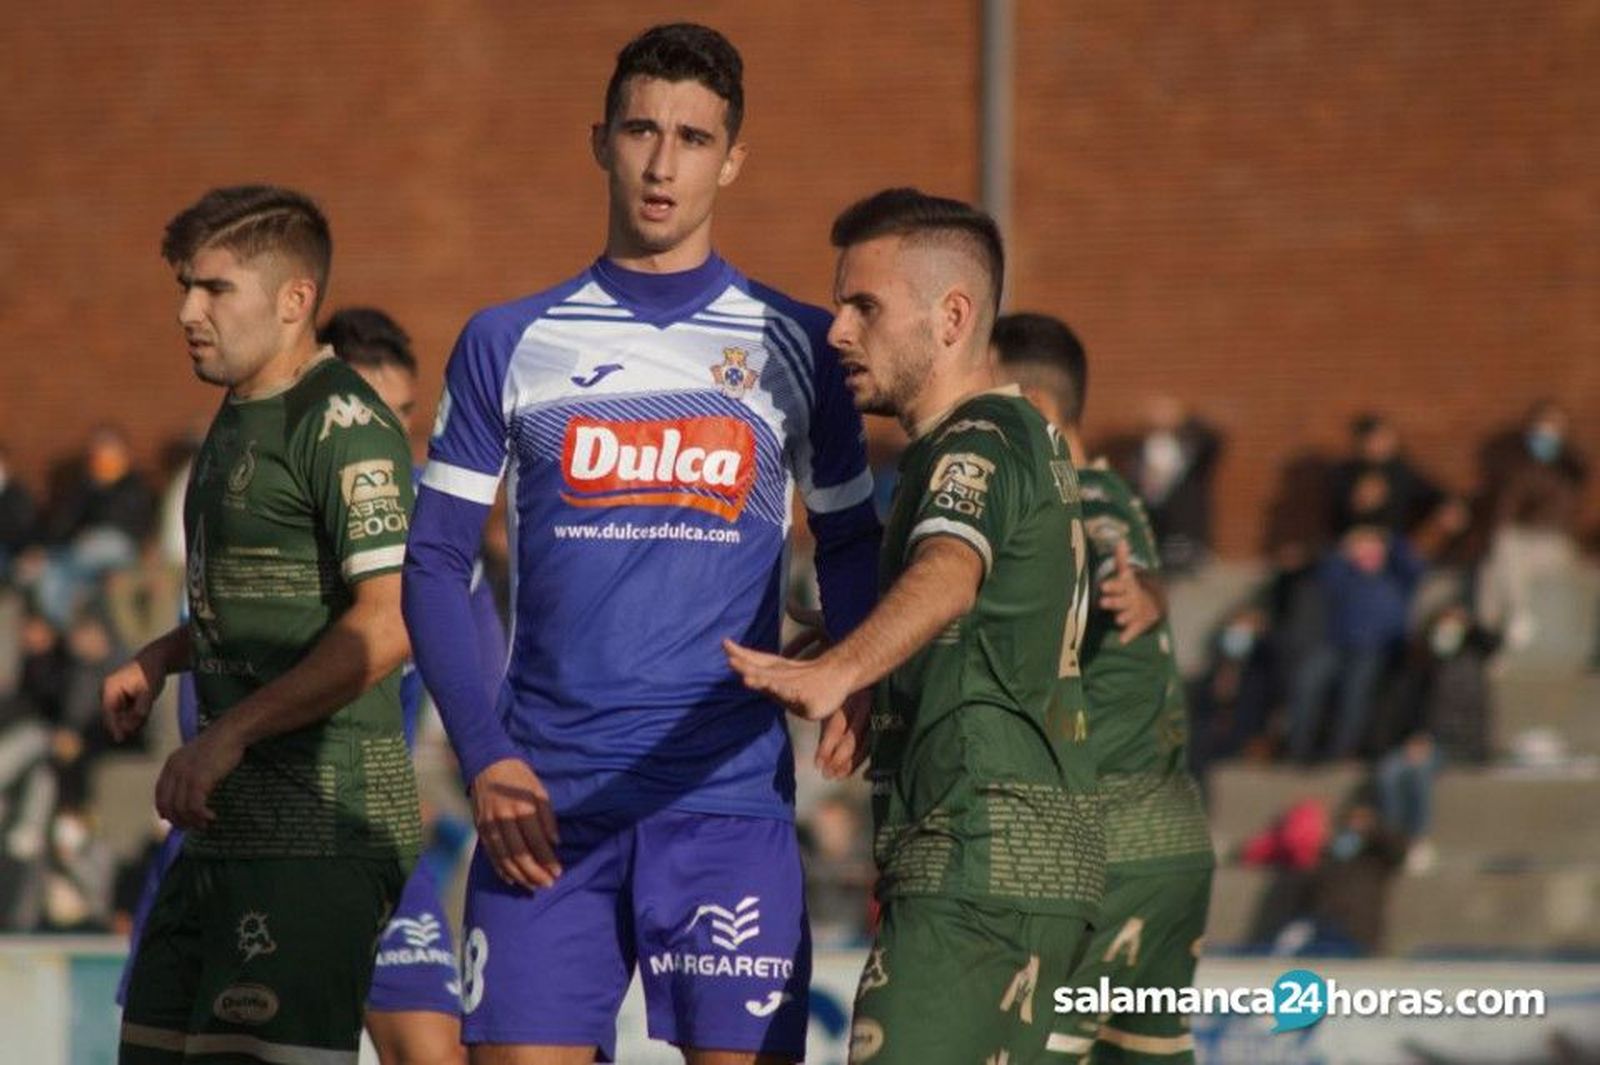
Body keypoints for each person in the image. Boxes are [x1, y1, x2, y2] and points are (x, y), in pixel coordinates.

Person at [402, 24, 879, 1065]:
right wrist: (486, 759)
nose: (664, 164)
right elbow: (435, 562)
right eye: (642, 130)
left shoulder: (794, 341)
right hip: (543, 811)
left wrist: (855, 671)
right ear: (599, 141)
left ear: (733, 159)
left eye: (695, 138)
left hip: (724, 809)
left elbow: (849, 540)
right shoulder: (508, 339)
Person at [725, 188, 1102, 1064]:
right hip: (1039, 872)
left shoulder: (974, 437)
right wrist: (855, 637)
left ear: (951, 316)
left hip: (974, 864)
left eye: (864, 306)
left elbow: (952, 573)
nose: (837, 332)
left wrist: (841, 670)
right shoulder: (1018, 436)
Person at [103, 185, 422, 1065]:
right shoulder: (238, 413)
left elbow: (388, 625)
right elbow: (272, 593)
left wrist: (226, 733)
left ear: (294, 300)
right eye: (183, 286)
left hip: (318, 826)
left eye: (213, 289)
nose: (185, 312)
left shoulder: (344, 425)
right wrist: (165, 656)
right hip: (223, 820)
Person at [994, 312, 1215, 1064]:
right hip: (1172, 840)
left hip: (1109, 844)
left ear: (1031, 405)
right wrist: (1147, 585)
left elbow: (1102, 546)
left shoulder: (1077, 499)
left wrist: (1134, 584)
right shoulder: (1120, 490)